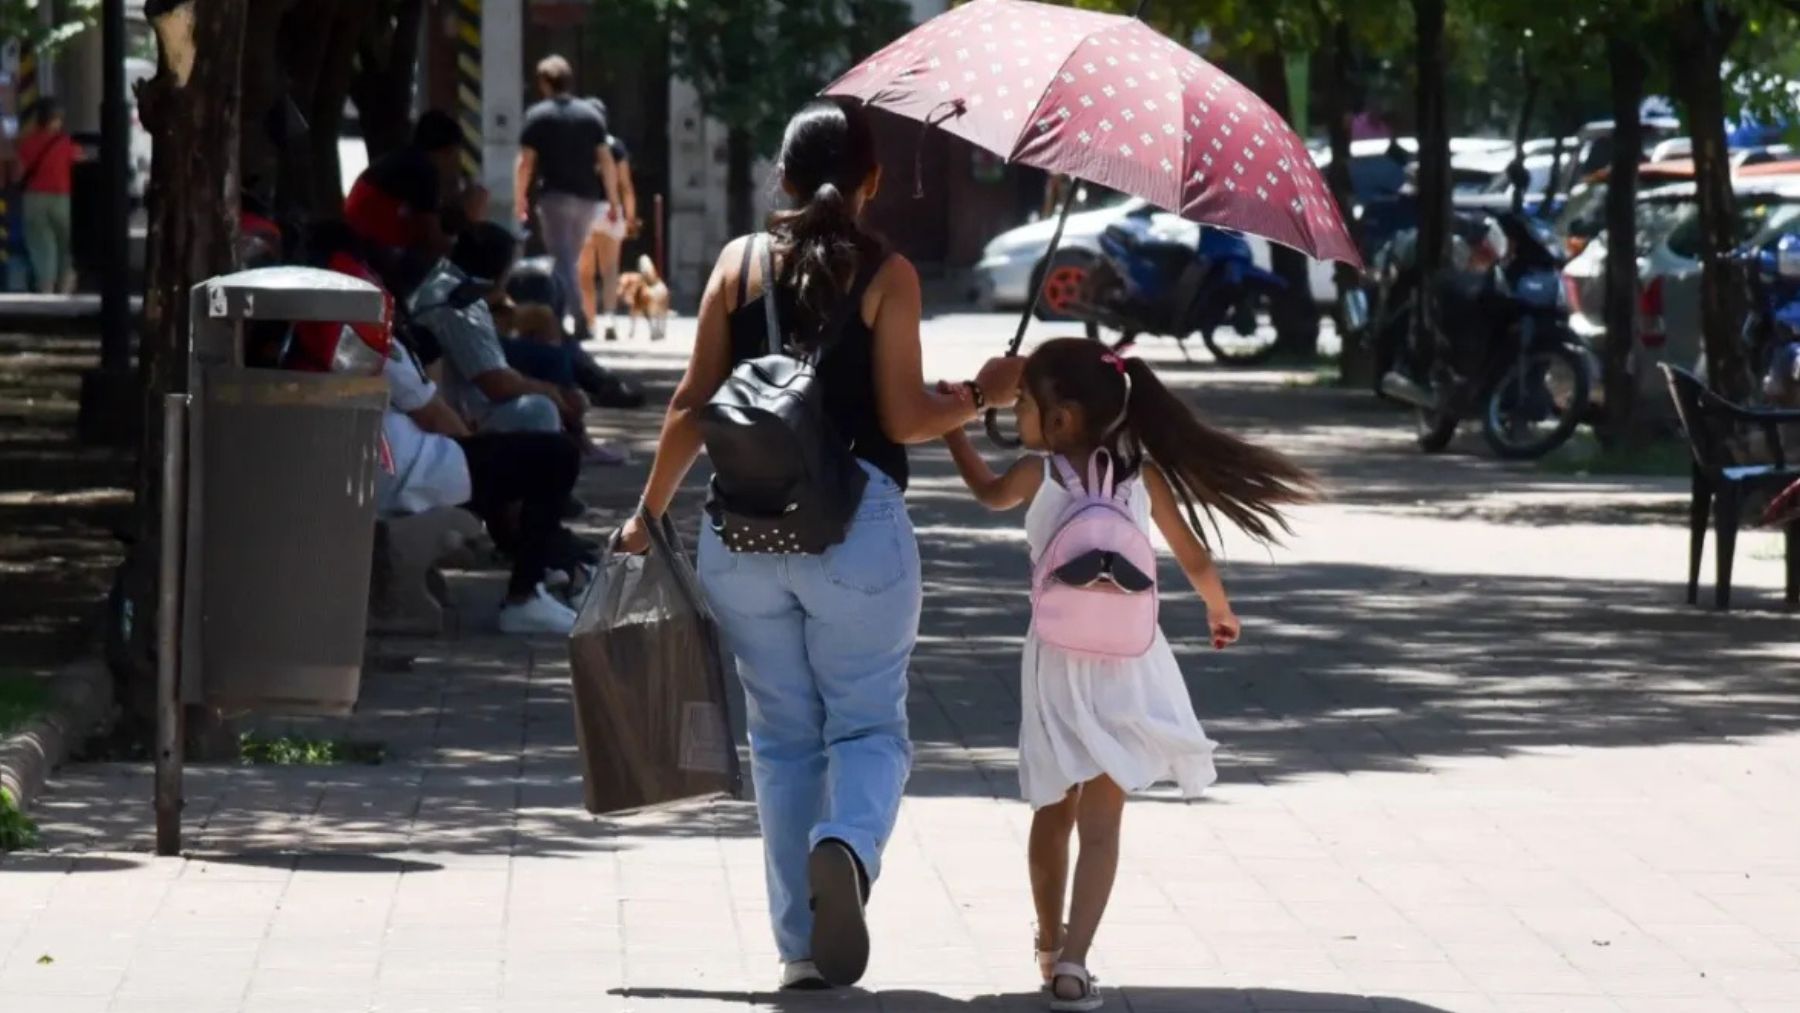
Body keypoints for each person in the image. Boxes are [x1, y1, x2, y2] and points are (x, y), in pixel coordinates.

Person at [616, 97, 1024, 990]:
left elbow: (690, 404)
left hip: (741, 533)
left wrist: (647, 515)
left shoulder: (736, 264)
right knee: (869, 723)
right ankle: (846, 845)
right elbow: (903, 418)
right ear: (872, 180)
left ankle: (799, 950)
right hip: (856, 530)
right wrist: (982, 395)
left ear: (784, 177)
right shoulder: (888, 273)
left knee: (782, 736)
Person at [938, 338, 1318, 1010]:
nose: (1015, 412)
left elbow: (988, 493)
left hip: (1056, 661)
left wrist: (953, 431)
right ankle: (1075, 962)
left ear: (1061, 419)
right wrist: (1219, 609)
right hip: (1128, 658)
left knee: (1052, 808)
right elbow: (1193, 556)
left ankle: (1048, 943)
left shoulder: (1038, 474)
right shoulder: (1142, 478)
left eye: (1023, 402)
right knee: (1103, 823)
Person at [379, 337, 588, 635]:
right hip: (416, 470)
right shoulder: (370, 338)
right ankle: (527, 594)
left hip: (409, 465)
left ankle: (554, 566)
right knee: (556, 456)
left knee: (513, 467)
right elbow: (433, 414)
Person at [411, 221, 590, 439]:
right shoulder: (462, 302)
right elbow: (497, 384)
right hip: (458, 419)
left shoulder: (440, 282)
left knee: (544, 332)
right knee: (541, 409)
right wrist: (552, 392)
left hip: (453, 400)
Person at [513, 55, 621, 339]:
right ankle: (564, 315)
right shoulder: (591, 116)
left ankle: (578, 317)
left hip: (555, 197)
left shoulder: (538, 115)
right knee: (569, 259)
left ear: (545, 82)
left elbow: (525, 162)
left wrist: (519, 197)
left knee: (562, 258)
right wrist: (613, 200)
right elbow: (606, 161)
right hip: (587, 199)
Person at [344, 110, 478, 300]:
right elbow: (430, 238)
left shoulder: (408, 159)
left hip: (362, 245)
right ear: (449, 151)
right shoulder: (423, 169)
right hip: (371, 250)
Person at [576, 98, 637, 340]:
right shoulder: (615, 146)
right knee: (610, 269)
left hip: (582, 209)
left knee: (584, 271)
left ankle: (589, 321)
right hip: (609, 212)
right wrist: (630, 217)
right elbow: (625, 185)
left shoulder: (578, 145)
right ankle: (610, 319)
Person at [16, 98, 76, 294]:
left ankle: (46, 288)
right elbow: (79, 162)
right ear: (55, 120)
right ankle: (65, 287)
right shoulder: (66, 143)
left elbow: (18, 173)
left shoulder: (28, 143)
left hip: (34, 199)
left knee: (41, 245)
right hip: (62, 199)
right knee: (66, 244)